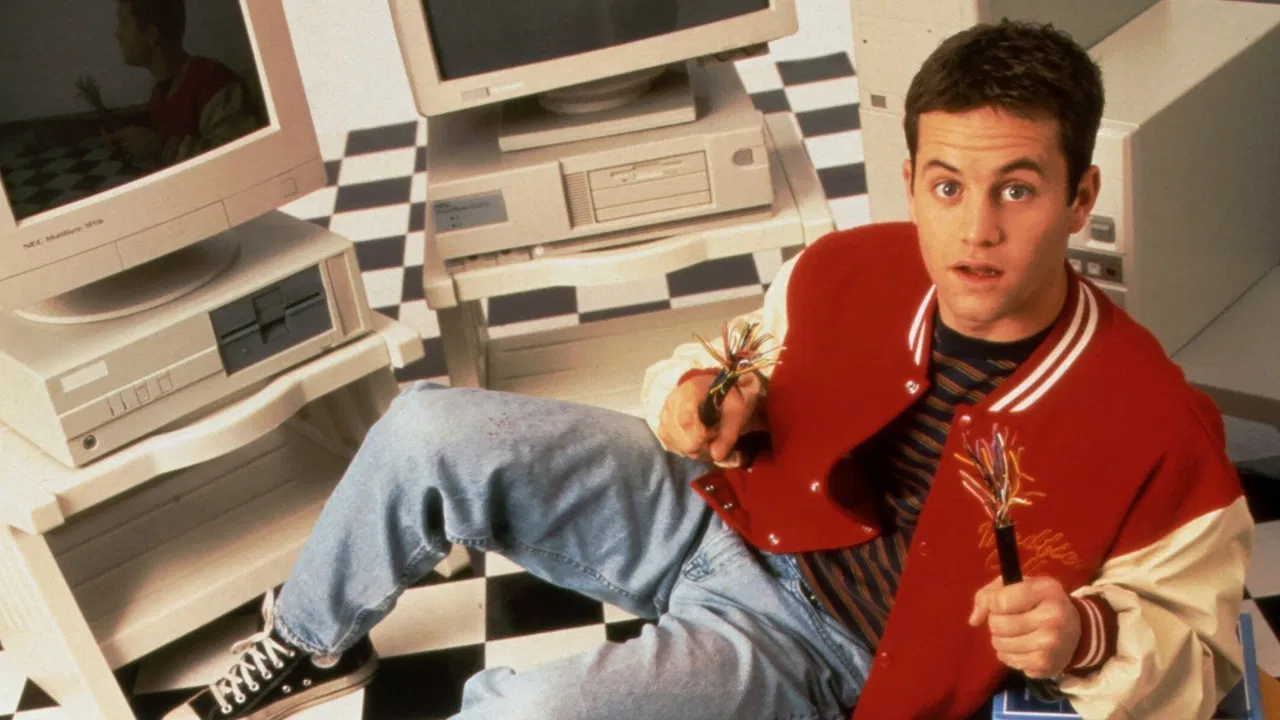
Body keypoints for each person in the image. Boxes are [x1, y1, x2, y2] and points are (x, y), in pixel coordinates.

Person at [163, 19, 1255, 720]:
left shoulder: (1156, 423)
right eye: (945, 186)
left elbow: (1204, 660)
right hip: (709, 510)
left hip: (812, 647)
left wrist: (1083, 634)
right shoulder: (848, 266)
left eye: (1016, 189)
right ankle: (309, 642)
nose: (974, 230)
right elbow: (724, 359)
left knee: (516, 714)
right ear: (911, 179)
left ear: (1078, 196)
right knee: (425, 429)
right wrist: (691, 404)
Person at [77, 0, 264, 170]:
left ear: (151, 35)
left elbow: (238, 163)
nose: (117, 34)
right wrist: (127, 148)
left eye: (124, 22)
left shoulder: (214, 83)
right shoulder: (159, 93)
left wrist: (160, 146)